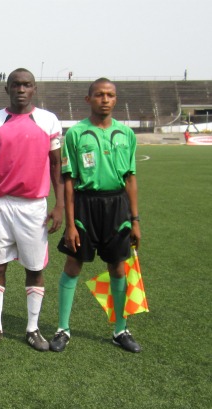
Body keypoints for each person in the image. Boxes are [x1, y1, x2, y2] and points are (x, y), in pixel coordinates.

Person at [0, 68, 63, 351]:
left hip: (34, 207)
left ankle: (33, 329)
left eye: (26, 85)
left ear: (34, 88)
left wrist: (59, 204)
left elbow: (57, 165)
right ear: (7, 88)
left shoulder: (48, 120)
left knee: (34, 269)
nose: (21, 89)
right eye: (15, 85)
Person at [50, 78, 142, 353]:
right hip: (85, 206)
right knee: (73, 264)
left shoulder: (126, 134)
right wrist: (70, 225)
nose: (105, 99)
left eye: (110, 95)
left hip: (117, 207)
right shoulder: (76, 134)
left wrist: (135, 220)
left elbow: (130, 178)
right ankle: (62, 329)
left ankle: (120, 330)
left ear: (115, 99)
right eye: (99, 94)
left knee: (118, 267)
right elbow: (68, 180)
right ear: (88, 99)